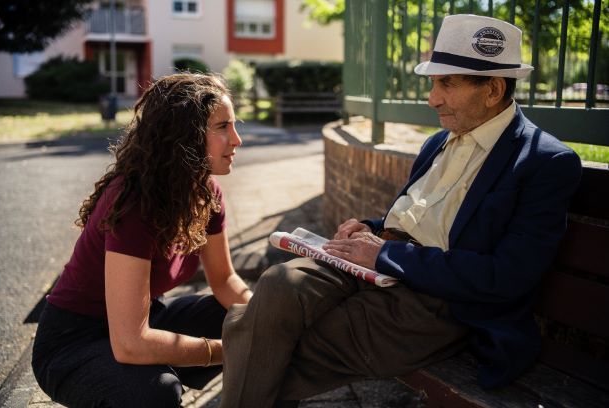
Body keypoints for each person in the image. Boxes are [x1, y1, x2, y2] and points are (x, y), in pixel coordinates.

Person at [219, 14, 582, 407]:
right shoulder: (437, 143)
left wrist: (385, 254)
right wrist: (370, 228)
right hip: (377, 265)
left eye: (446, 83)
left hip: (441, 300)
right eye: (433, 83)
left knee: (270, 338)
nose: (432, 99)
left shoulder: (544, 162)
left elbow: (507, 277)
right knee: (278, 283)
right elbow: (417, 217)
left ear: (493, 89)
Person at [31, 73, 252, 408]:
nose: (237, 140)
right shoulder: (135, 202)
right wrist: (222, 350)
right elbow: (131, 344)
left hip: (140, 320)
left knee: (242, 319)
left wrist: (268, 317)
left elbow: (224, 281)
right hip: (72, 342)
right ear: (184, 136)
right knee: (156, 393)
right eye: (223, 127)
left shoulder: (207, 194)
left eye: (234, 125)